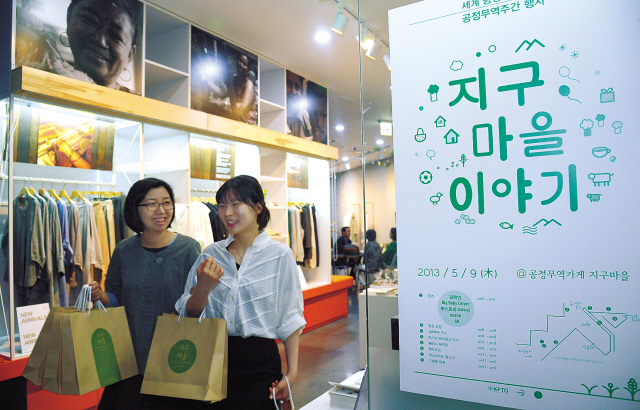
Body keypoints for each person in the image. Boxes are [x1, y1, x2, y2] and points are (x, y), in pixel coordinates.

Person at [176, 175, 306, 410]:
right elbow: (189, 315)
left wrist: (292, 372)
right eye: (222, 206)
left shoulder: (280, 255)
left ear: (258, 207)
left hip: (260, 363)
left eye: (236, 204)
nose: (227, 213)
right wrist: (203, 288)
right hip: (212, 357)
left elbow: (290, 316)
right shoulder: (210, 254)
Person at [89, 178, 201, 410]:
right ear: (135, 209)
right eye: (152, 204)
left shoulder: (189, 249)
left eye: (166, 203)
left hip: (171, 358)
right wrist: (101, 296)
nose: (161, 210)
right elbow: (116, 297)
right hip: (130, 356)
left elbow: (194, 304)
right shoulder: (124, 250)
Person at [16, 0, 140, 93]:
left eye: (115, 36)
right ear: (69, 18)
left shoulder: (138, 110)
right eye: (90, 20)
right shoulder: (41, 80)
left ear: (130, 54)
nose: (100, 40)